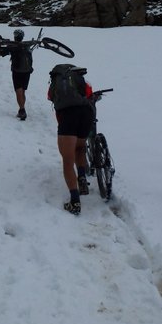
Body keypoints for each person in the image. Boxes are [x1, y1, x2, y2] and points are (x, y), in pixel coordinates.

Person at [47, 65, 94, 215]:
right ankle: (81, 177)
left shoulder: (56, 83)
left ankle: (75, 201)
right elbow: (89, 94)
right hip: (86, 114)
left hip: (67, 116)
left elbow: (50, 97)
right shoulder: (79, 79)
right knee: (80, 147)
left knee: (68, 159)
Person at [0, 28, 33, 120]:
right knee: (23, 91)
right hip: (27, 71)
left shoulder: (12, 46)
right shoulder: (26, 45)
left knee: (18, 90)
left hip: (17, 71)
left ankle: (22, 110)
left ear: (15, 36)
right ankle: (22, 109)